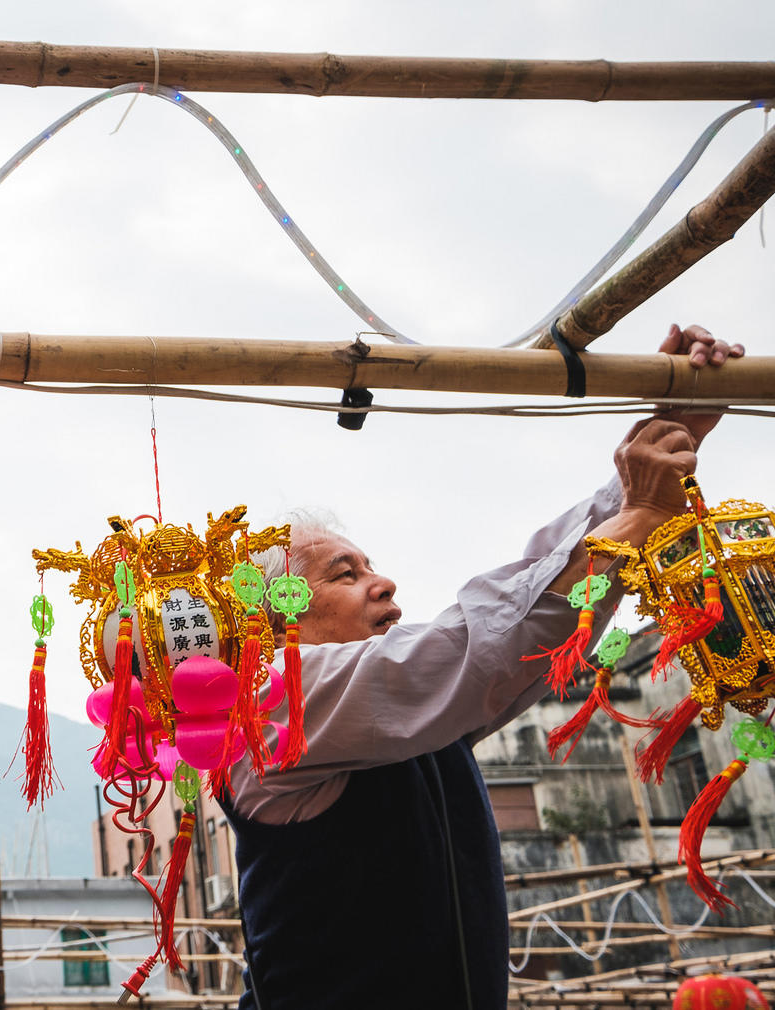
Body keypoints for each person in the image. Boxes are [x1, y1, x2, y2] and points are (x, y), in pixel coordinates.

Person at [223, 325, 745, 1009]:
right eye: (345, 575)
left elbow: (532, 636)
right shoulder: (275, 703)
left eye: (373, 567)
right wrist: (638, 510)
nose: (384, 586)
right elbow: (487, 645)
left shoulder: (405, 714)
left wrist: (647, 466)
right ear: (277, 619)